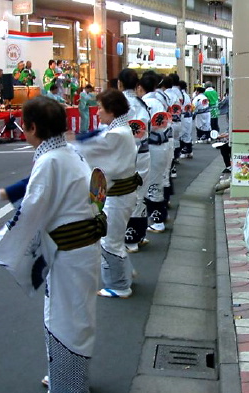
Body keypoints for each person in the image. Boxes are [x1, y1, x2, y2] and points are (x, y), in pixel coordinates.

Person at [0, 96, 105, 393]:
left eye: (25, 127)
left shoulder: (51, 159)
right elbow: (34, 189)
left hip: (71, 251)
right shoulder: (66, 153)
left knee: (67, 318)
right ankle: (64, 376)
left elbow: (28, 215)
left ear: (30, 128)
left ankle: (70, 390)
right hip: (79, 248)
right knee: (70, 314)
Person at [73, 89, 138, 299]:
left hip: (118, 196)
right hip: (121, 195)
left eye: (100, 108)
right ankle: (125, 274)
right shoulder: (119, 129)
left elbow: (88, 148)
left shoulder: (115, 134)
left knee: (110, 240)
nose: (98, 112)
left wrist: (71, 142)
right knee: (115, 238)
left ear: (111, 110)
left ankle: (119, 285)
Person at [119, 68, 152, 253]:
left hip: (124, 155)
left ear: (119, 84)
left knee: (124, 195)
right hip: (143, 153)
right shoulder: (142, 103)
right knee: (140, 193)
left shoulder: (118, 103)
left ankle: (129, 238)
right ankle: (139, 235)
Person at [137, 72, 170, 233]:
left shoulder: (146, 103)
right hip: (163, 144)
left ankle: (157, 220)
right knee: (158, 182)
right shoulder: (160, 99)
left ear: (140, 87)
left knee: (152, 185)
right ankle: (158, 217)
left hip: (153, 146)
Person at [178, 80, 194, 158]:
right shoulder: (186, 95)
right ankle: (189, 150)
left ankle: (185, 150)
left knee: (183, 134)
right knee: (187, 133)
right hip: (188, 116)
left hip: (183, 116)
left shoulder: (181, 95)